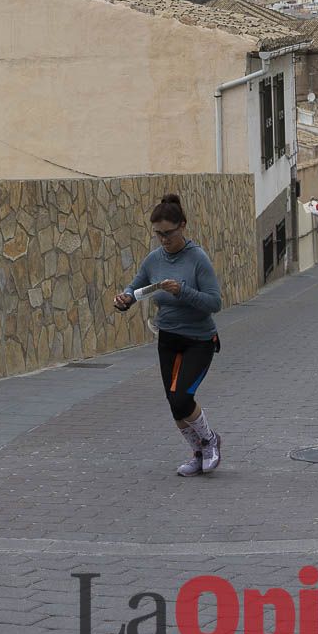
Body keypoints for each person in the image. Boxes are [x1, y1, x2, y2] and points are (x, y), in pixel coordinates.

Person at [115, 194, 223, 477]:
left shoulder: (197, 259)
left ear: (183, 226)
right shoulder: (154, 260)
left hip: (199, 340)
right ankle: (197, 454)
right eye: (158, 234)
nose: (164, 240)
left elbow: (215, 303)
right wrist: (125, 299)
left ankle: (211, 441)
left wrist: (182, 291)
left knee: (181, 398)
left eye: (169, 233)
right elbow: (136, 286)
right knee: (175, 406)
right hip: (168, 338)